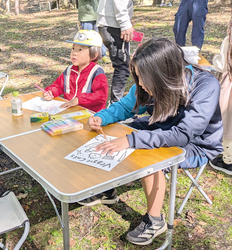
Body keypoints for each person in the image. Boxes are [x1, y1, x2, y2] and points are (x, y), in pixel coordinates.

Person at [86, 38, 223, 245]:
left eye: (143, 78)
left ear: (163, 75)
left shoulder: (205, 85)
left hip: (197, 143)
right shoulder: (148, 81)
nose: (140, 84)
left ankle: (155, 220)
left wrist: (132, 140)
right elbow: (125, 107)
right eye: (138, 77)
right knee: (116, 133)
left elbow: (185, 133)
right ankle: (108, 188)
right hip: (161, 127)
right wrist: (102, 117)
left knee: (149, 156)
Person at [43, 29, 109, 113]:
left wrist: (79, 100)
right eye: (73, 48)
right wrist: (51, 92)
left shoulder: (96, 72)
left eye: (80, 50)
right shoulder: (70, 70)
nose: (74, 53)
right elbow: (58, 86)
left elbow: (101, 96)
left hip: (91, 115)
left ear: (94, 55)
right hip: (70, 112)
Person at [96, 0, 134, 103]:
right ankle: (115, 106)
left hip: (109, 23)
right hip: (113, 25)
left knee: (122, 66)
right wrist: (125, 23)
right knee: (122, 66)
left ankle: (116, 105)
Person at [209, 18, 232, 175]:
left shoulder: (229, 41)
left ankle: (228, 160)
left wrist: (214, 60)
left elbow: (221, 64)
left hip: (229, 85)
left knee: (228, 122)